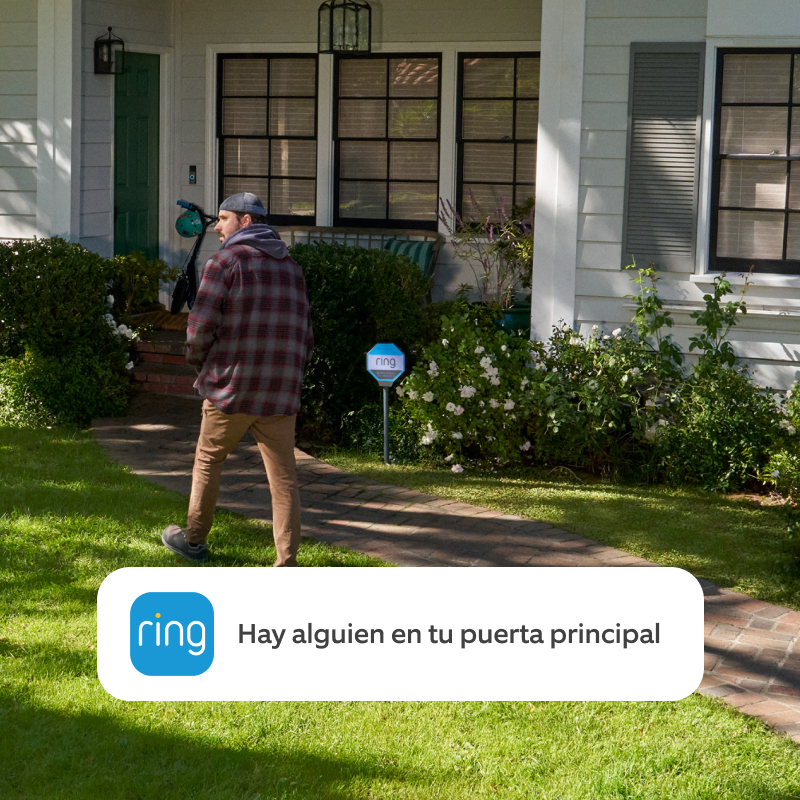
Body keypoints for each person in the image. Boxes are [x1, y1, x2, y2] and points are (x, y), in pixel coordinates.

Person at [161, 192, 313, 566]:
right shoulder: (292, 267)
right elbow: (305, 333)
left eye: (224, 219)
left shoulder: (225, 263)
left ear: (246, 222)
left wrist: (201, 367)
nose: (216, 227)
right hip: (279, 392)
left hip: (232, 388)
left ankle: (194, 541)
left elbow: (199, 327)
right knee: (284, 476)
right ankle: (286, 561)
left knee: (209, 460)